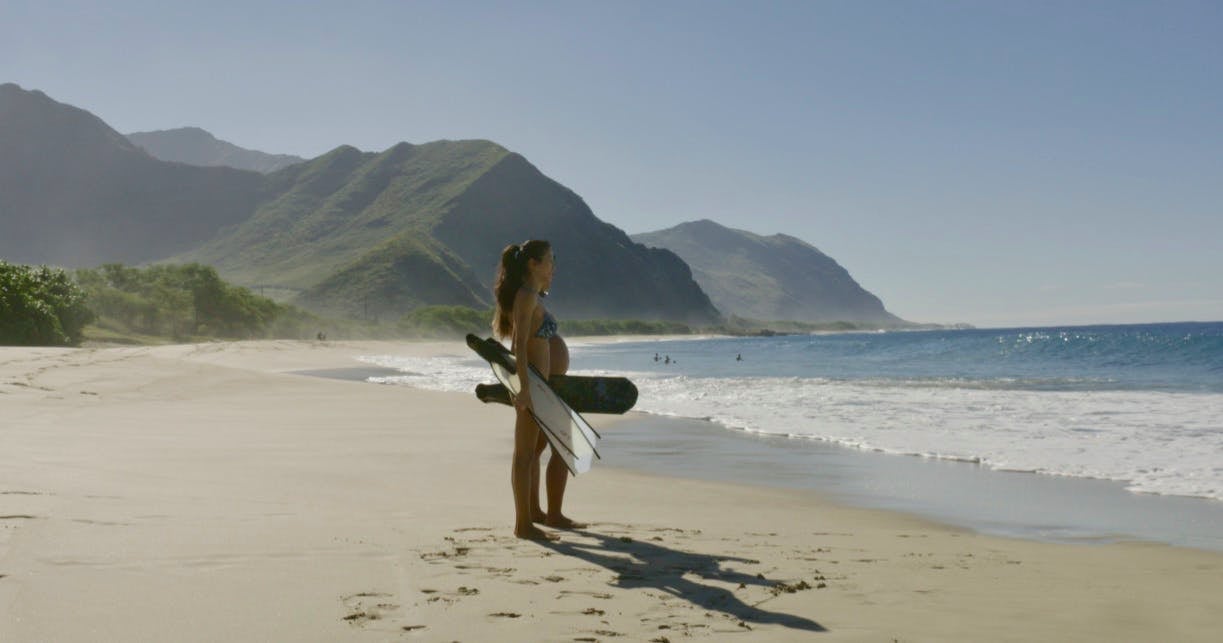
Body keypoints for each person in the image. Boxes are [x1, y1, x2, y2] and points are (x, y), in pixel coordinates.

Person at [492, 240, 584, 540]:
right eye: (549, 260)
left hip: (540, 385)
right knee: (524, 455)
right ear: (533, 264)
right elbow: (518, 344)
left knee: (535, 451)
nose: (553, 267)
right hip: (532, 385)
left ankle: (538, 516)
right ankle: (523, 525)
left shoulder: (532, 295)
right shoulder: (526, 296)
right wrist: (524, 389)